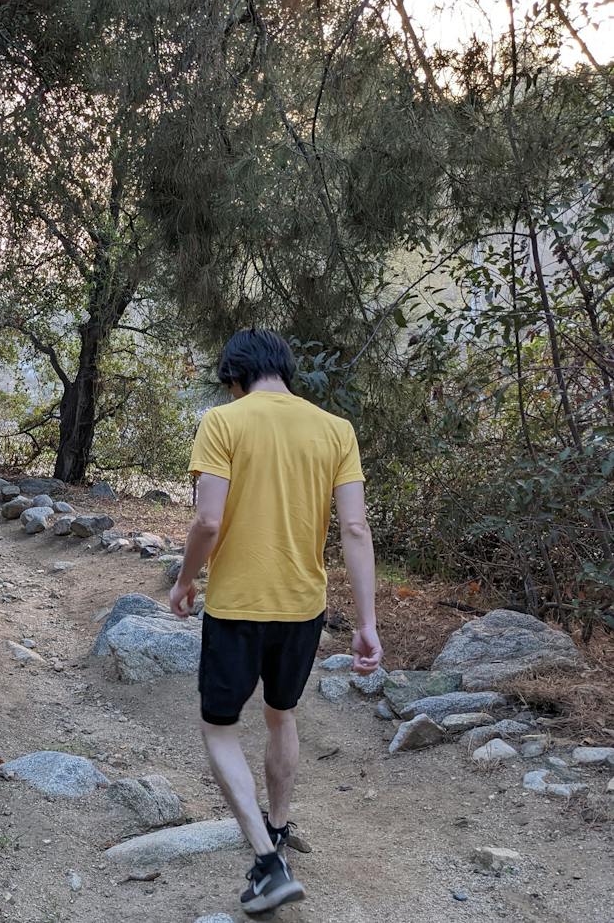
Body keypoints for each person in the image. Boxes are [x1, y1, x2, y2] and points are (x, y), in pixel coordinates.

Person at [170, 328, 382, 915]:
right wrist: (367, 622)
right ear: (284, 370)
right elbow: (356, 530)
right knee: (280, 715)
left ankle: (267, 862)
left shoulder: (224, 422)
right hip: (303, 607)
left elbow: (208, 522)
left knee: (218, 727)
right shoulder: (335, 430)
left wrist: (186, 580)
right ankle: (280, 828)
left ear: (235, 377)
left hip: (238, 605)